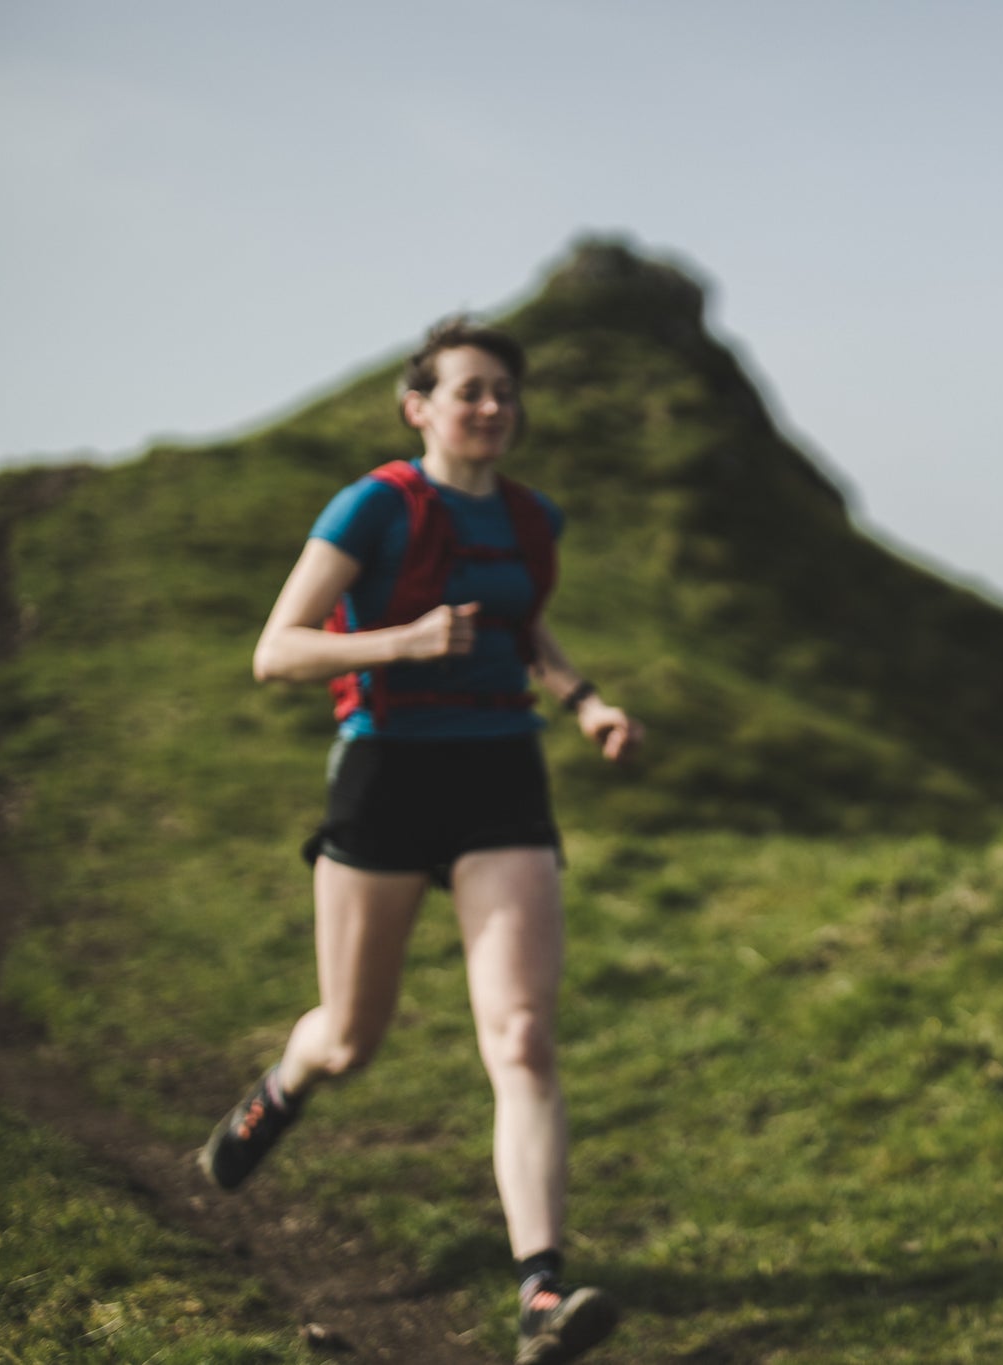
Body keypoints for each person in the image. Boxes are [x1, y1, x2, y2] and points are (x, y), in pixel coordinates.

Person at [200, 317, 643, 1365]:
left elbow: (519, 620)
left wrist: (582, 701)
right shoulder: (373, 505)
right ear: (420, 408)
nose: (490, 408)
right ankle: (285, 1085)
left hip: (502, 778)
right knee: (352, 1037)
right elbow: (276, 650)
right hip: (387, 775)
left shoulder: (531, 518)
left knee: (523, 1036)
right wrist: (398, 642)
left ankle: (541, 1293)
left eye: (503, 392)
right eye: (468, 391)